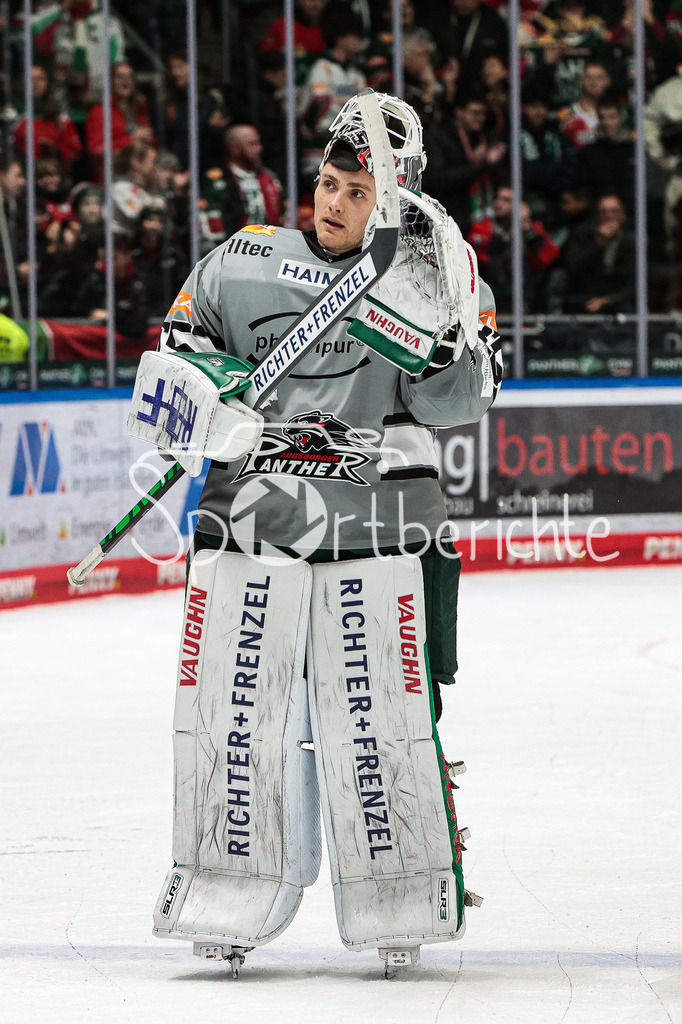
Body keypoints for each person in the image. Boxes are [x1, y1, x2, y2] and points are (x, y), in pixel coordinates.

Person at [128, 91, 502, 974]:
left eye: (355, 193)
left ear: (395, 202)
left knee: (385, 723)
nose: (331, 203)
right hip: (249, 525)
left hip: (384, 531)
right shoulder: (243, 258)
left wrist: (446, 339)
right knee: (240, 716)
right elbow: (171, 359)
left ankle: (404, 889)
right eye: (327, 184)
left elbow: (466, 401)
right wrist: (213, 400)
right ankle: (226, 886)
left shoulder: (439, 277)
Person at [561, 193, 636, 313]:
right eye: (604, 212)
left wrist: (608, 300)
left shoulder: (631, 241)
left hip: (618, 298)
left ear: (623, 216)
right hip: (585, 296)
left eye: (614, 211)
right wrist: (599, 244)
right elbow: (573, 268)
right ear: (598, 216)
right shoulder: (583, 234)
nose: (609, 216)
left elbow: (635, 283)